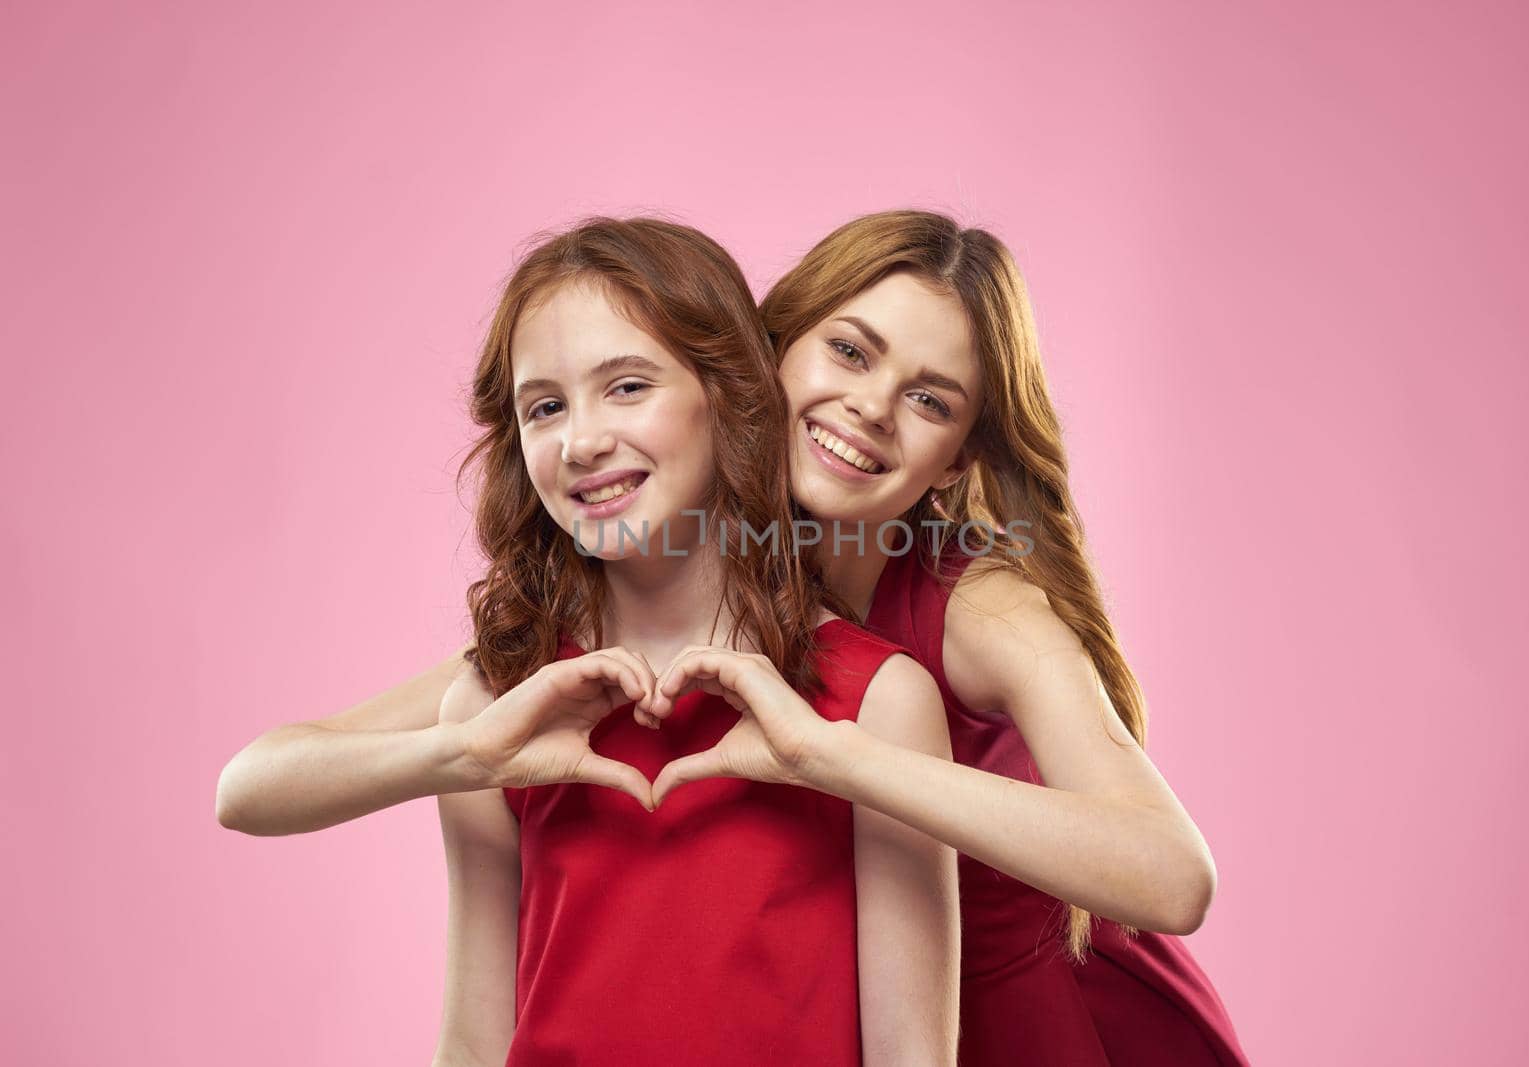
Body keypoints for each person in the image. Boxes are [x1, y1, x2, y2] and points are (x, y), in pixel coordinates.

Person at [217, 210, 1244, 1064]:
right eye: (848, 350)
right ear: (762, 358)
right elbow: (283, 775)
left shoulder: (969, 609)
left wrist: (837, 758)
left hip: (1042, 1022)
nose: (869, 409)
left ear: (952, 457)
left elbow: (1168, 874)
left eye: (929, 399)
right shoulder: (655, 572)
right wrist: (461, 749)